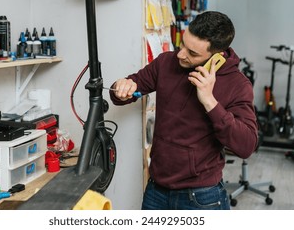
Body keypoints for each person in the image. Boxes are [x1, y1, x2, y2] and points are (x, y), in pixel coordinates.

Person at [109, 11, 258, 210]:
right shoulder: (165, 63)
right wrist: (122, 88)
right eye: (182, 44)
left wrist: (210, 102)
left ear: (217, 57)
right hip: (156, 190)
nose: (180, 54)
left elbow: (246, 145)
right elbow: (129, 87)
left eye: (192, 53)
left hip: (202, 196)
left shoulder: (238, 85)